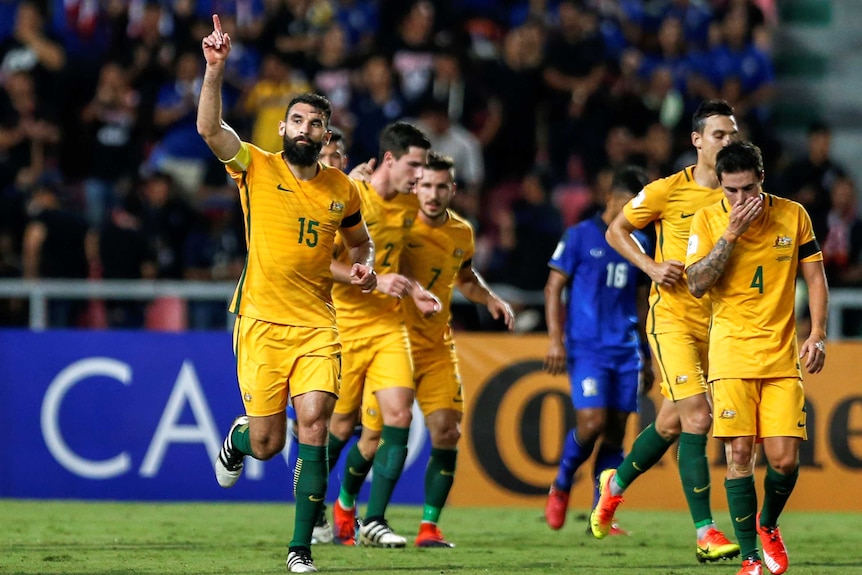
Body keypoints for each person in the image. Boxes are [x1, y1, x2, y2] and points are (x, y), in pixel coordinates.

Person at [197, 15, 376, 574]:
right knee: (271, 443)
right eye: (296, 120)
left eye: (314, 123)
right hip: (260, 323)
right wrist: (214, 71)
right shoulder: (256, 166)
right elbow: (209, 129)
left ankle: (300, 548)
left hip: (319, 325)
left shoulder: (342, 189)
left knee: (316, 424)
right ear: (283, 129)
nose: (304, 128)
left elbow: (359, 243)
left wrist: (365, 267)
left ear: (326, 135)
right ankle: (240, 439)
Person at [593, 99, 740, 563]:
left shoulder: (741, 193)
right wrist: (651, 266)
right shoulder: (666, 190)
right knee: (698, 418)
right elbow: (616, 231)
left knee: (672, 422)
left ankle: (613, 484)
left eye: (733, 135)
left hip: (719, 324)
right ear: (696, 140)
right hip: (673, 319)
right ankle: (705, 532)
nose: (728, 142)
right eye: (719, 135)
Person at [685, 141, 828, 575]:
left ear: (761, 180)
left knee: (784, 460)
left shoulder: (793, 215)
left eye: (748, 190)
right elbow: (695, 283)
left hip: (781, 356)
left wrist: (818, 333)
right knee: (740, 456)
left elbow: (816, 276)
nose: (741, 200)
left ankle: (767, 524)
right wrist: (730, 234)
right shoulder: (709, 219)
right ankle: (749, 558)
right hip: (730, 356)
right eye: (731, 191)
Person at [328, 121, 439, 548]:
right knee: (339, 428)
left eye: (424, 166)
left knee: (397, 418)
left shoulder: (412, 207)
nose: (419, 175)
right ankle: (323, 507)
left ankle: (372, 518)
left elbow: (397, 265)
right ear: (389, 160)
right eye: (413, 164)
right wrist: (373, 280)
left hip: (388, 326)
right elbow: (325, 266)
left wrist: (415, 290)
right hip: (344, 325)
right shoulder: (351, 199)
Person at [402, 151, 515, 547]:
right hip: (390, 342)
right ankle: (346, 510)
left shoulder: (461, 232)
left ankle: (429, 527)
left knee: (447, 431)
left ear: (452, 189)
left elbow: (465, 277)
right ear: (414, 186)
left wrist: (489, 299)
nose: (432, 194)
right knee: (359, 433)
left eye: (441, 186)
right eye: (426, 186)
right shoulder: (396, 223)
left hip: (435, 345)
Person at [543, 166, 654, 533]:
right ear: (611, 198)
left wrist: (647, 352)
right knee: (590, 423)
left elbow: (641, 302)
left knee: (616, 431)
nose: (633, 211)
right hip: (588, 347)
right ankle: (561, 484)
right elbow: (553, 287)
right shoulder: (579, 236)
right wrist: (556, 339)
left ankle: (600, 511)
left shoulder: (640, 243)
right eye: (628, 202)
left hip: (626, 349)